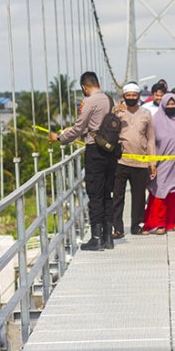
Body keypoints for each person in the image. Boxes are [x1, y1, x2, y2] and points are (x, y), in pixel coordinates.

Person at [50, 71, 118, 251]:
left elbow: (80, 127)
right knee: (107, 194)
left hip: (95, 150)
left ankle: (96, 239)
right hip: (111, 151)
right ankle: (108, 238)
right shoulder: (111, 100)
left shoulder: (89, 101)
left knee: (94, 193)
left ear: (84, 87)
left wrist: (60, 138)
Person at [143, 93, 175, 234]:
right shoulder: (155, 121)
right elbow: (149, 141)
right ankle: (157, 223)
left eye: (173, 104)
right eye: (168, 104)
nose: (171, 106)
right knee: (160, 192)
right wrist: (151, 162)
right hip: (162, 163)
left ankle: (174, 222)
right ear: (163, 105)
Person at [112, 82, 157, 237]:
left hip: (140, 161)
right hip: (120, 161)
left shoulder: (146, 113)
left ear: (138, 96)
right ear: (123, 96)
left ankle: (136, 225)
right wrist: (113, 112)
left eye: (134, 95)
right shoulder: (118, 113)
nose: (131, 98)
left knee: (139, 196)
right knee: (118, 196)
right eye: (128, 95)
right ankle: (117, 228)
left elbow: (150, 139)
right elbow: (107, 130)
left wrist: (152, 163)